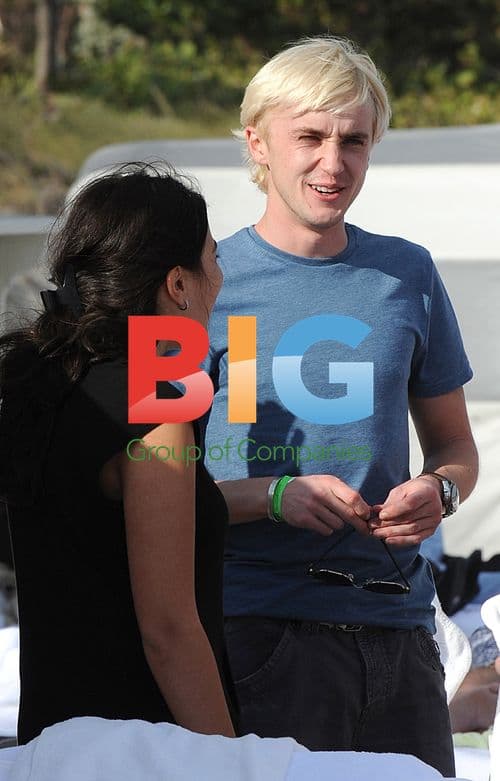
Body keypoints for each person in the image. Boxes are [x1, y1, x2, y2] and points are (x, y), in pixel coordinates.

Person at [203, 36, 478, 776]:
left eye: (354, 140)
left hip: (400, 629)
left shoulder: (409, 271)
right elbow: (135, 476)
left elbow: (456, 445)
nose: (334, 163)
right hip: (256, 632)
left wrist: (439, 490)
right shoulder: (186, 280)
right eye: (311, 137)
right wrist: (273, 495)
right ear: (258, 141)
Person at [0, 164, 237, 743]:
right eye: (213, 257)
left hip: (52, 739)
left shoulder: (38, 382)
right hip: (144, 745)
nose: (221, 276)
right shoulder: (155, 409)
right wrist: (232, 762)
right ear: (178, 284)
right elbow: (169, 628)